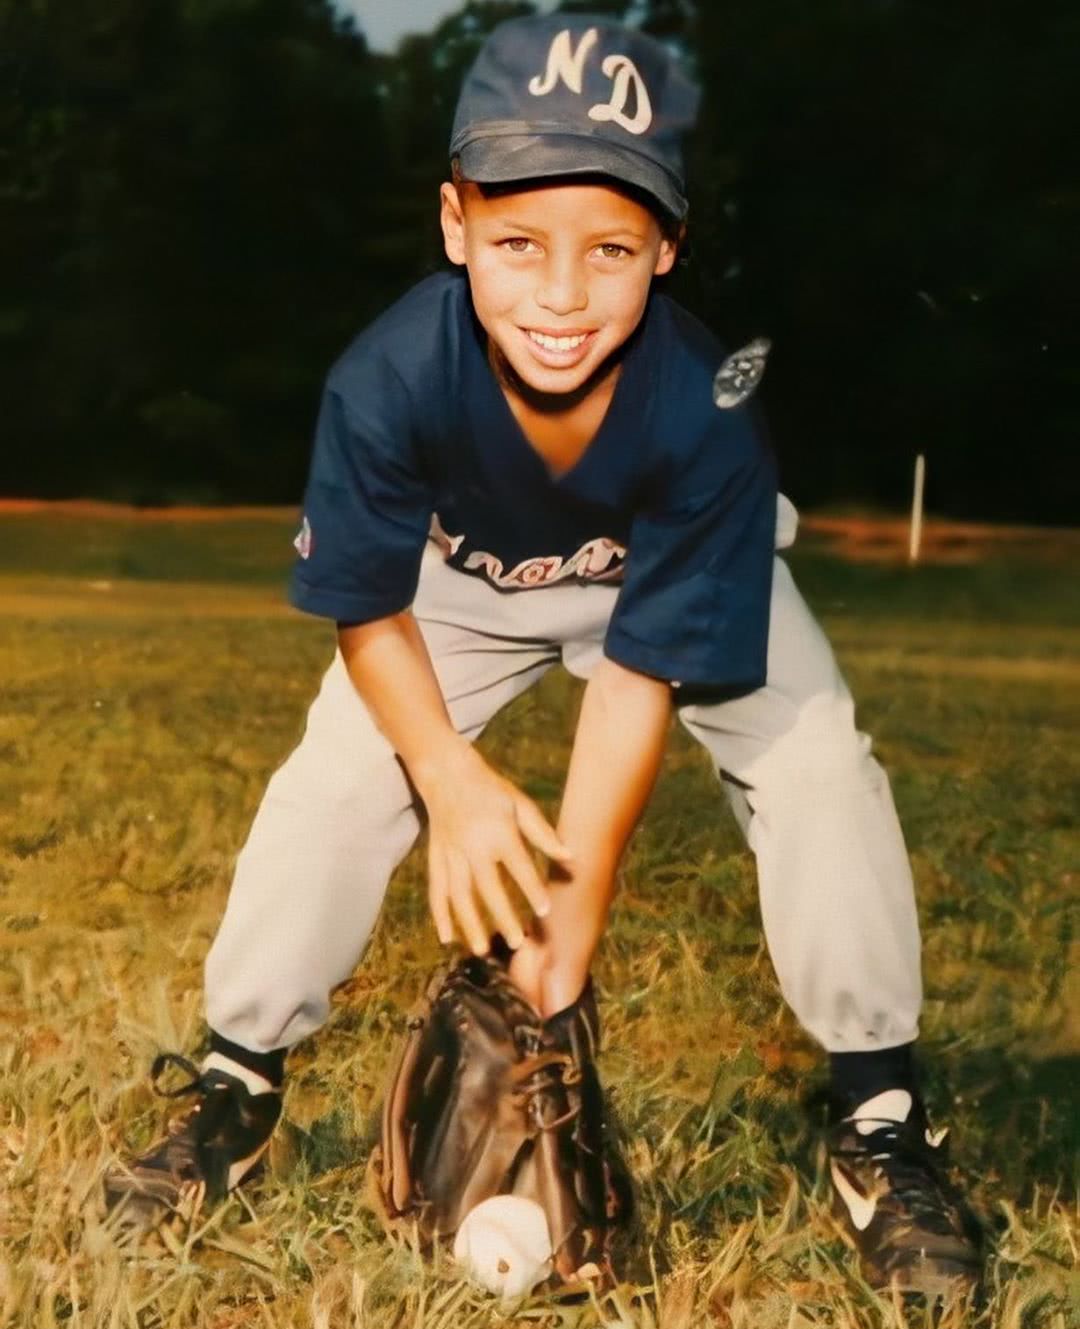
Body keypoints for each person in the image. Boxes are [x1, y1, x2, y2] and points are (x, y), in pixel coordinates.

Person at [105, 13, 982, 1299]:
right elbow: (368, 612)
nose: (562, 295)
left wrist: (577, 899)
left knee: (818, 767)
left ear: (667, 250)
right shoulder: (389, 376)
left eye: (611, 249)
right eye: (518, 242)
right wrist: (452, 783)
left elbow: (642, 668)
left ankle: (880, 1120)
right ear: (455, 224)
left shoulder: (706, 408)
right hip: (457, 589)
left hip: (667, 576)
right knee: (338, 787)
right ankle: (236, 1091)